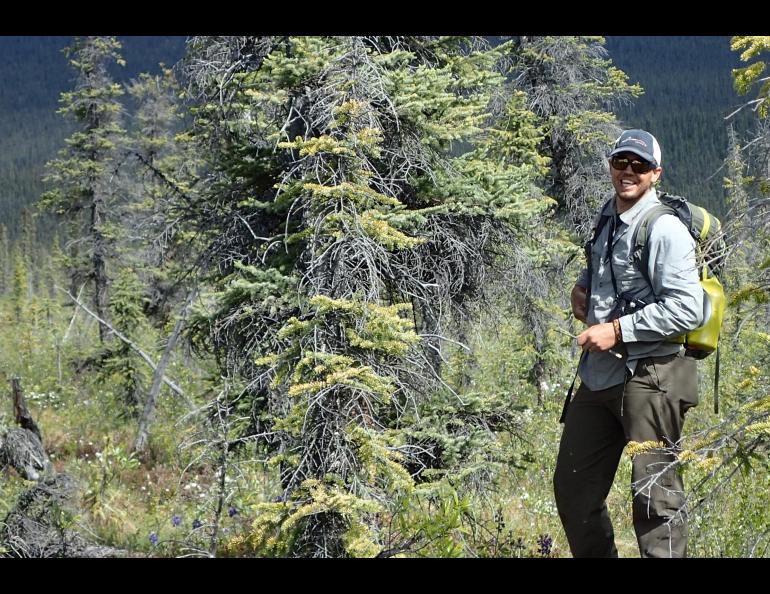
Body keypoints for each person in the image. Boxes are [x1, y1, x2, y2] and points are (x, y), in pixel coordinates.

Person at [553, 129, 706, 558]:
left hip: (653, 377)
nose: (628, 172)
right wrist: (580, 292)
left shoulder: (664, 229)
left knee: (656, 502)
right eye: (621, 162)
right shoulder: (607, 216)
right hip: (601, 374)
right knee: (574, 490)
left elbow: (688, 310)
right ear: (611, 165)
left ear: (656, 174)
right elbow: (601, 276)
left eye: (639, 166)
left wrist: (616, 330)